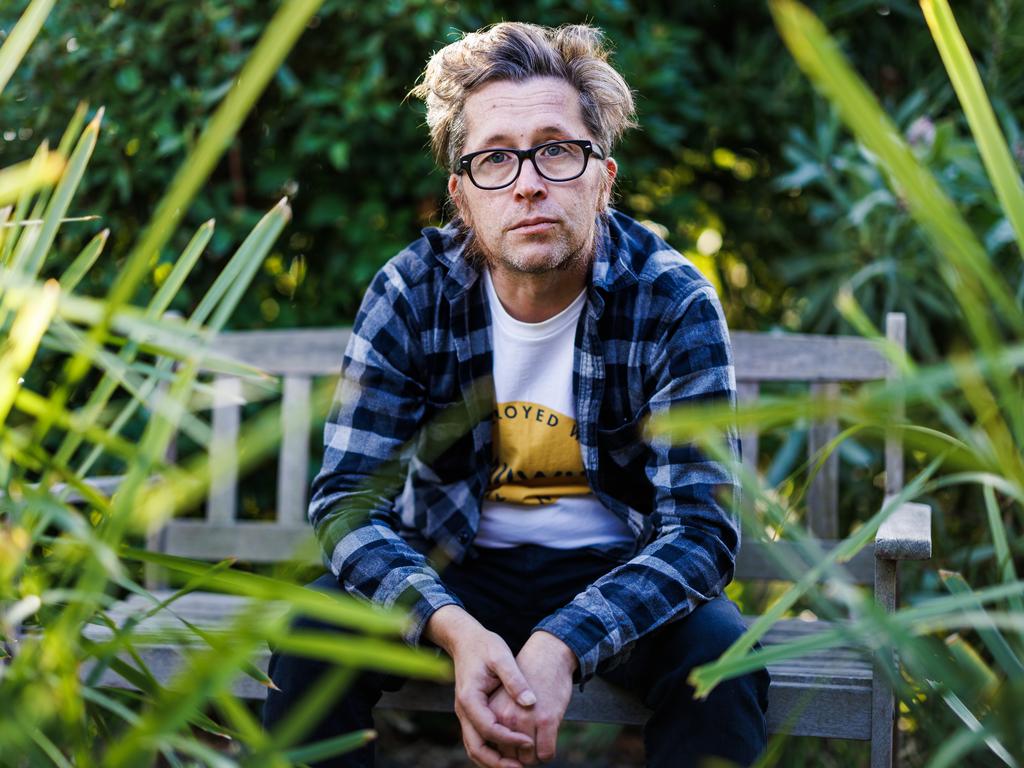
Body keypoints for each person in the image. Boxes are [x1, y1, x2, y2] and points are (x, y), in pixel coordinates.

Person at [262, 21, 770, 768]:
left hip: (619, 567)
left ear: (603, 175)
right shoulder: (411, 292)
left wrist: (565, 641)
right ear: (460, 195)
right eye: (496, 157)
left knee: (721, 661)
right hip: (454, 567)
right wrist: (451, 627)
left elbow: (699, 531)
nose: (528, 181)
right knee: (311, 636)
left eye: (556, 150)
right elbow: (346, 502)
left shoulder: (671, 299)